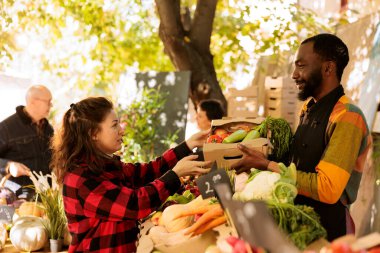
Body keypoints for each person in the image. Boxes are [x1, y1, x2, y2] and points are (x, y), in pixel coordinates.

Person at [232, 33, 371, 241]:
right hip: (301, 220)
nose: (294, 75)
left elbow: (328, 188)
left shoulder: (348, 116)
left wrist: (268, 165)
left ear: (328, 68)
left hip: (327, 231)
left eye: (301, 66)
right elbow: (298, 162)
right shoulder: (308, 107)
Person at [51, 96, 212, 253]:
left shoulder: (103, 165)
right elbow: (133, 204)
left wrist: (188, 145)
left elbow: (147, 172)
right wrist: (175, 175)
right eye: (115, 125)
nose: (122, 130)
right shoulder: (81, 178)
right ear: (93, 133)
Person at [0, 85, 53, 200]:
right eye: (48, 102)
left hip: (45, 197)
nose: (51, 105)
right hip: (17, 198)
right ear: (33, 102)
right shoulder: (6, 128)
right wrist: (9, 166)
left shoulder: (48, 128)